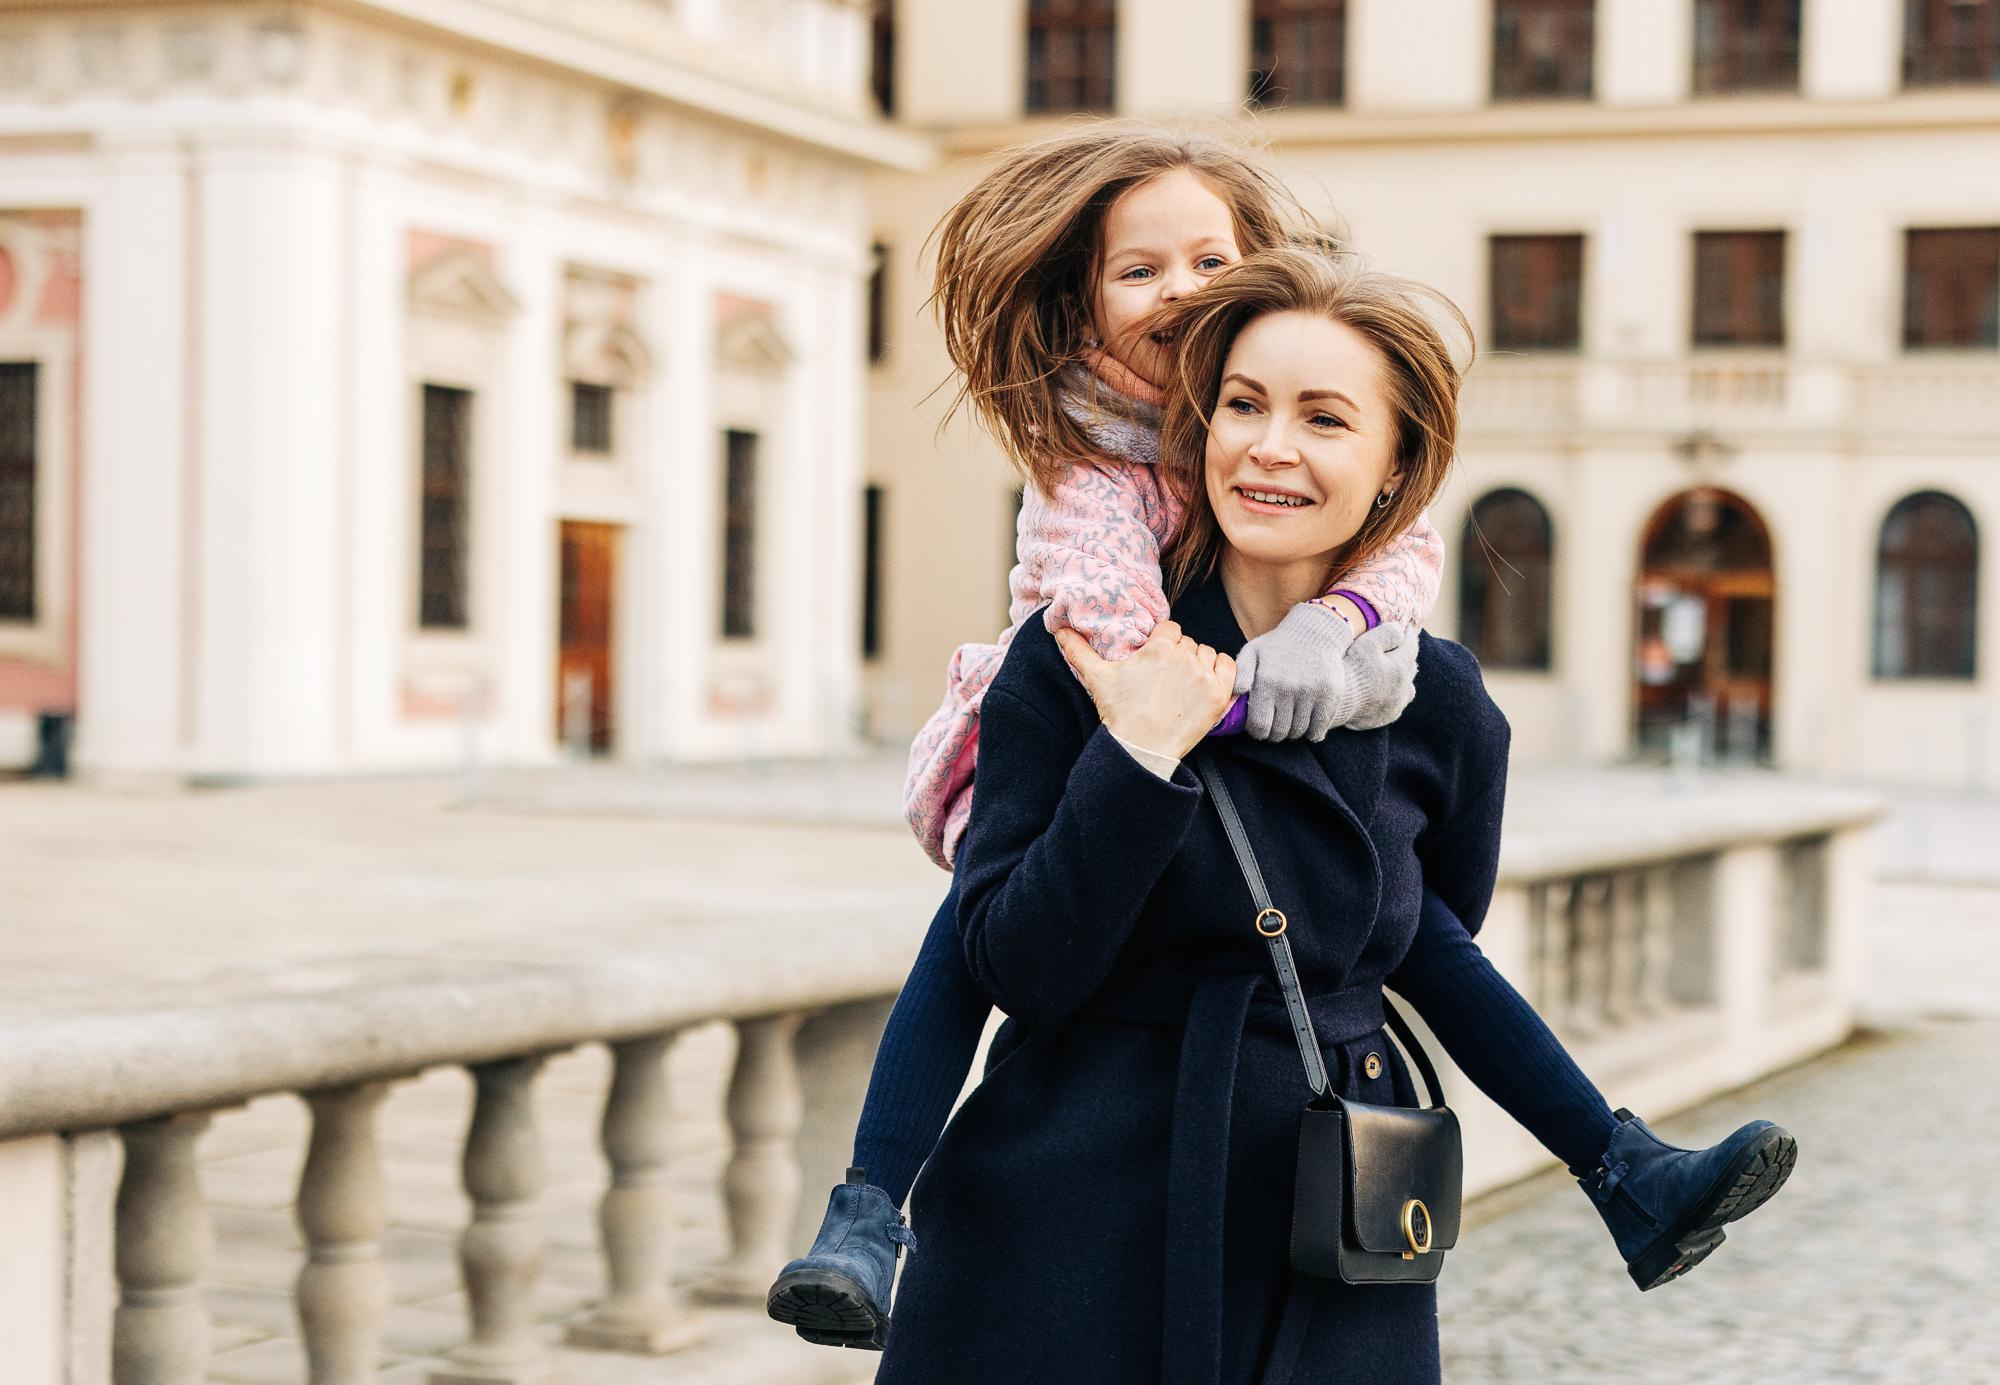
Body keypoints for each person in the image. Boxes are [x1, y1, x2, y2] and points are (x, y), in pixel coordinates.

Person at [767, 129, 1796, 1355]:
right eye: (1241, 407)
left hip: (1327, 1228)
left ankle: (1620, 1164)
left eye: (1322, 419)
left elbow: (1403, 934)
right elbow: (1015, 967)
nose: (1270, 445)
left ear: (1392, 467)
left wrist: (1321, 648)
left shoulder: (1433, 699)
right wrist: (1139, 754)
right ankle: (867, 1206)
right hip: (1061, 1226)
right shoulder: (1085, 634)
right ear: (1196, 422)